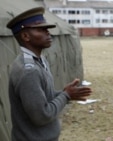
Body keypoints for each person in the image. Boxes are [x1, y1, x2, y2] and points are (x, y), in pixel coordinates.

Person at [6, 7, 92, 141]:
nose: (48, 33)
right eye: (41, 30)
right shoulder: (29, 71)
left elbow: (42, 98)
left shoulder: (39, 60)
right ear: (25, 36)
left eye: (47, 29)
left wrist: (64, 93)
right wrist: (66, 95)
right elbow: (42, 116)